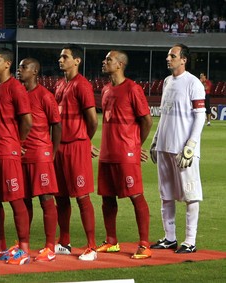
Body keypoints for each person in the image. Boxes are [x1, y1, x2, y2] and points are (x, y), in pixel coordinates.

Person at [96, 50, 153, 259]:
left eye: (108, 59)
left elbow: (147, 120)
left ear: (119, 64)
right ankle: (111, 241)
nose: (104, 62)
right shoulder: (105, 90)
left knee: (136, 196)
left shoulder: (133, 89)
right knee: (107, 198)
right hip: (107, 152)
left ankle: (145, 244)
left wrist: (136, 146)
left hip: (126, 153)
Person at [150, 43, 205, 254]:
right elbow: (164, 113)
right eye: (168, 55)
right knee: (166, 194)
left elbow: (200, 117)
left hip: (183, 149)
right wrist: (156, 139)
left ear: (184, 59)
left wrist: (191, 145)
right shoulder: (166, 82)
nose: (168, 58)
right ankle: (170, 238)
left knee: (191, 194)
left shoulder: (193, 83)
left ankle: (190, 240)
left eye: (172, 56)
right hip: (165, 146)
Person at [0, 48, 32, 265]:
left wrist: (15, 142)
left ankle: (24, 249)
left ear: (8, 64)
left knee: (16, 200)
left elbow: (27, 121)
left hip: (7, 153)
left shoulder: (16, 88)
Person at [53, 44, 99, 261]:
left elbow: (92, 120)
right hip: (59, 147)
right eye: (61, 57)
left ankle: (91, 246)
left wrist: (84, 139)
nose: (61, 60)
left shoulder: (83, 85)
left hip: (76, 146)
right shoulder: (60, 84)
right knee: (61, 197)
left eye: (65, 56)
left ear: (77, 61)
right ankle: (64, 242)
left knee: (81, 197)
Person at [17, 57, 62, 262]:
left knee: (46, 199)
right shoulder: (18, 93)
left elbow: (57, 125)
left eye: (24, 67)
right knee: (24, 201)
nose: (20, 70)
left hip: (40, 154)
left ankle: (50, 246)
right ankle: (23, 245)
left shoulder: (45, 95)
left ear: (35, 71)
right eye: (19, 67)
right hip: (21, 154)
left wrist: (52, 152)